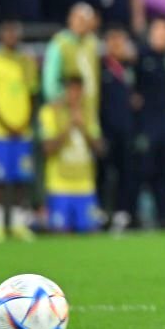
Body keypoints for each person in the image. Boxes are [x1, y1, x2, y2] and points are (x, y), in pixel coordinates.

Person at [0, 21, 38, 242]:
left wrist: (24, 122)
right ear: (0, 36)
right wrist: (6, 124)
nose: (12, 36)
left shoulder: (27, 61)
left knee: (21, 179)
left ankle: (17, 224)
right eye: (7, 33)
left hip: (23, 131)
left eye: (15, 33)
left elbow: (33, 93)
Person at [40, 75, 104, 233]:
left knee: (90, 233)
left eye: (78, 91)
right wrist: (69, 127)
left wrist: (82, 128)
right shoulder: (50, 112)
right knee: (60, 233)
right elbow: (47, 149)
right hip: (60, 186)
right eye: (71, 90)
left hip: (85, 186)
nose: (75, 95)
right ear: (64, 91)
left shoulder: (89, 113)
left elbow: (100, 149)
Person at [134, 18, 165, 227]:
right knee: (142, 169)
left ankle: (164, 216)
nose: (162, 37)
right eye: (158, 33)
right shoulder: (140, 57)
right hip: (145, 123)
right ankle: (133, 214)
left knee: (164, 170)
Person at [99, 24, 139, 231]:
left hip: (126, 129)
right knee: (104, 173)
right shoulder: (100, 68)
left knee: (125, 172)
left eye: (121, 42)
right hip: (106, 129)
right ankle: (103, 212)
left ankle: (123, 213)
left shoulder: (130, 68)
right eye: (113, 42)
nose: (117, 46)